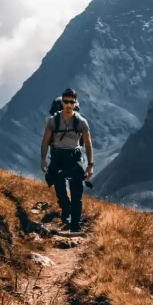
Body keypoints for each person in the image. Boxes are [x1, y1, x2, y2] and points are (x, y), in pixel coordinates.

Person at [40, 88, 94, 232]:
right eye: (66, 102)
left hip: (73, 156)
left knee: (76, 191)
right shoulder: (53, 121)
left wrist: (90, 165)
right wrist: (43, 159)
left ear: (75, 103)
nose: (68, 105)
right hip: (59, 156)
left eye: (71, 102)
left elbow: (88, 144)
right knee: (58, 182)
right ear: (62, 102)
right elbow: (45, 141)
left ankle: (75, 224)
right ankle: (68, 212)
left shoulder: (81, 122)